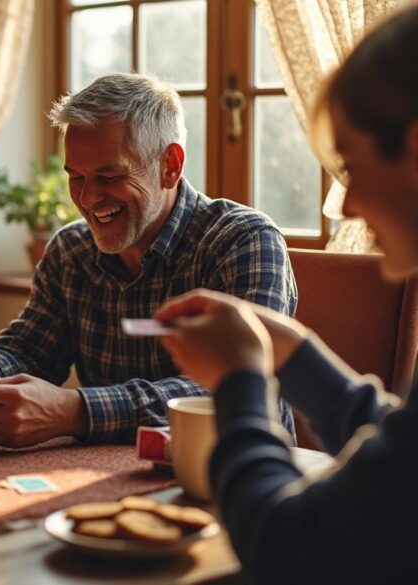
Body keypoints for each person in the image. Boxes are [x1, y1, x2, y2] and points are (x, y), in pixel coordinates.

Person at [153, 6, 418, 583]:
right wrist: (291, 350)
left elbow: (287, 548)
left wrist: (240, 380)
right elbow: (404, 458)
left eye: (351, 166)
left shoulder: (241, 233)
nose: (345, 205)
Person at [0, 73, 297, 448]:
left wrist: (75, 411)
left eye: (109, 175)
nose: (87, 198)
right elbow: (31, 348)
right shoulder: (70, 250)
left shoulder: (243, 241)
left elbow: (233, 386)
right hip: (106, 472)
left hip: (243, 476)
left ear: (170, 165)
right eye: (76, 177)